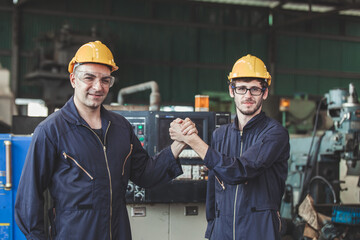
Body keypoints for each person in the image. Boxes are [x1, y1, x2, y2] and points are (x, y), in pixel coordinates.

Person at [15, 41, 195, 240]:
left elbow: (146, 175)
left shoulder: (120, 128)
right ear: (73, 79)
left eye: (105, 80)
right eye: (89, 78)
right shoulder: (51, 131)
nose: (98, 87)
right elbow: (28, 199)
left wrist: (179, 144)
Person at [169, 54, 290, 240]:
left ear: (264, 93)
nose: (248, 95)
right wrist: (212, 230)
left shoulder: (274, 134)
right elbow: (213, 189)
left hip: (260, 232)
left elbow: (240, 170)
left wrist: (193, 141)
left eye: (255, 89)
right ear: (232, 91)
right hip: (222, 231)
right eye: (241, 88)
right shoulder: (220, 135)